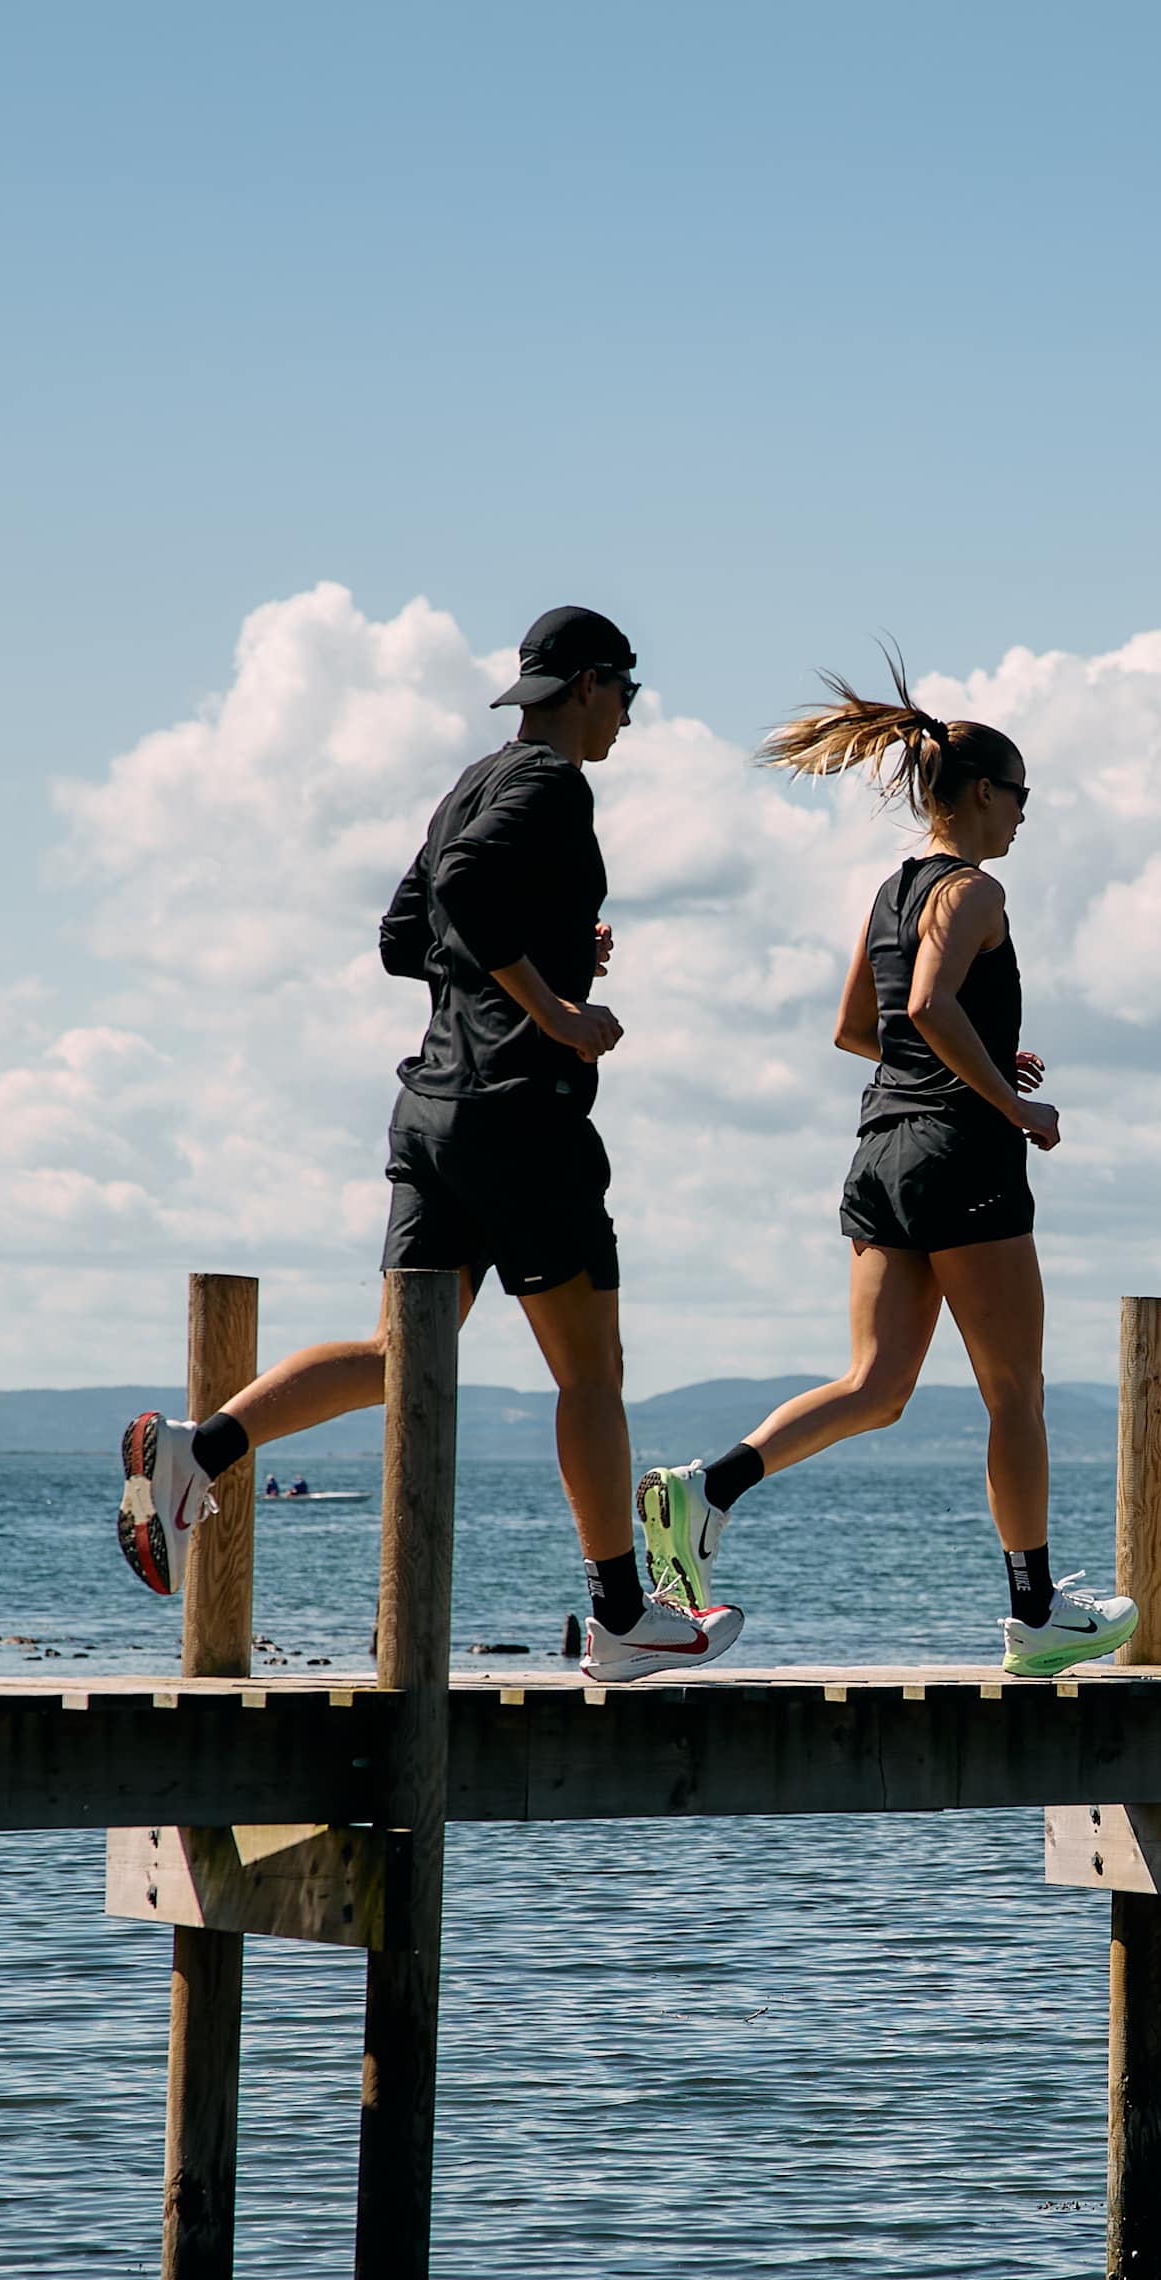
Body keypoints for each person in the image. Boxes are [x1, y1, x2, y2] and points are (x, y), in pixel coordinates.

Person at [116, 604, 744, 1684]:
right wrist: (553, 1007)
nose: (630, 719)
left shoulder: (474, 780)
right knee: (591, 1371)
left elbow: (407, 936)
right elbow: (457, 899)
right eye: (628, 696)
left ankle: (200, 1449)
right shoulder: (551, 782)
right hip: (523, 1116)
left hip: (434, 1111)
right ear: (589, 683)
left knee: (402, 1353)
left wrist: (545, 946)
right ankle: (621, 1616)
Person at [630, 665, 1139, 1677]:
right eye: (1023, 797)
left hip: (882, 1154)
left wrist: (987, 1055)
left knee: (875, 1383)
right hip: (962, 1157)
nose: (1025, 818)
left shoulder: (892, 887)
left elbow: (856, 1028)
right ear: (984, 794)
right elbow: (926, 1013)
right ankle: (1037, 1615)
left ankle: (710, 1488)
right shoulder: (974, 887)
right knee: (1015, 1396)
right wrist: (1012, 1100)